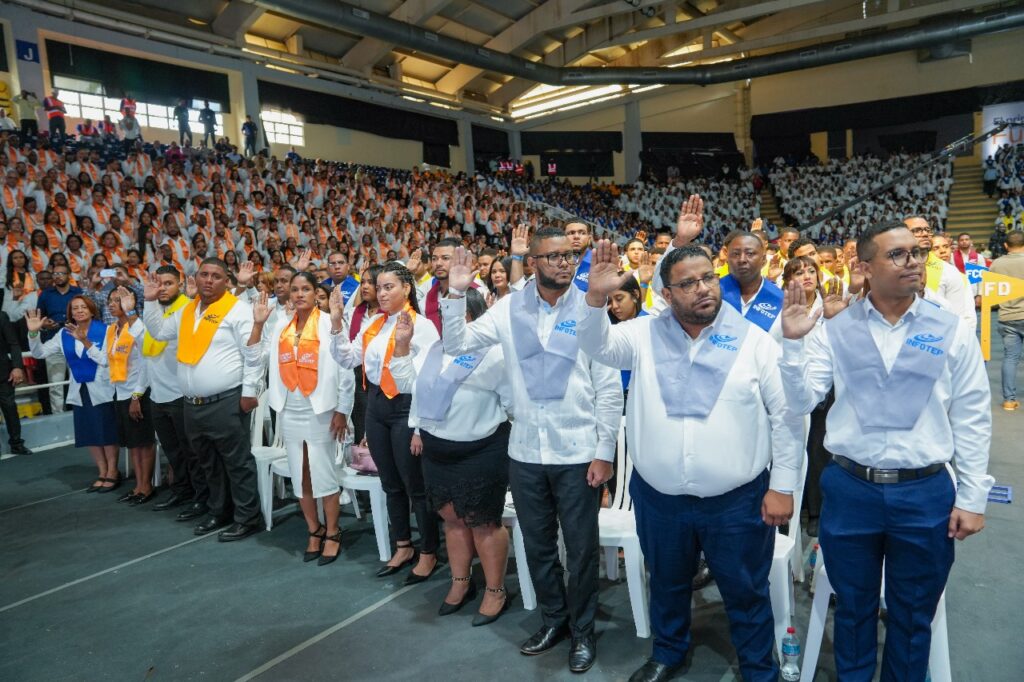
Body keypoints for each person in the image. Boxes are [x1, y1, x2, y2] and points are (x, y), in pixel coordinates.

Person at [579, 239, 802, 682]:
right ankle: (669, 651)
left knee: (745, 590)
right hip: (660, 497)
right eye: (688, 283)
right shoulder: (642, 335)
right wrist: (593, 300)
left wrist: (784, 485)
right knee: (666, 582)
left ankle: (759, 668)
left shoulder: (753, 342)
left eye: (707, 278)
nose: (703, 289)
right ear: (666, 295)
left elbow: (788, 416)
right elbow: (594, 345)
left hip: (736, 500)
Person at [780, 220, 993, 682]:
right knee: (853, 609)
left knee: (913, 614)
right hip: (851, 487)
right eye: (897, 255)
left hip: (925, 491)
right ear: (864, 267)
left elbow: (973, 414)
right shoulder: (835, 328)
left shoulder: (949, 328)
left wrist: (973, 496)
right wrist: (792, 346)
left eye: (916, 252)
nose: (913, 261)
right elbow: (800, 402)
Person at [443, 228, 622, 674]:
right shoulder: (508, 309)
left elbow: (607, 387)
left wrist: (605, 451)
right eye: (554, 257)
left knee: (580, 550)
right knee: (539, 546)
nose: (565, 263)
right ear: (535, 261)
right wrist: (455, 293)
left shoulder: (589, 308)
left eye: (570, 256)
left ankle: (582, 632)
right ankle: (554, 621)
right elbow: (457, 345)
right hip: (524, 450)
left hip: (577, 450)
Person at [390, 287, 513, 624]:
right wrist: (401, 344)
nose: (448, 322)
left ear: (472, 316)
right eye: (444, 315)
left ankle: (495, 589)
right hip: (439, 452)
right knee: (453, 520)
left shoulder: (493, 353)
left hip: (482, 450)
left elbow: (512, 402)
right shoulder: (433, 351)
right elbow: (404, 384)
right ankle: (461, 583)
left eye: (455, 315)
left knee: (484, 523)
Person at [329, 262, 442, 582]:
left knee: (414, 484)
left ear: (407, 288)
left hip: (408, 405)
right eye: (378, 287)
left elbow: (428, 379)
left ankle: (429, 550)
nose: (381, 293)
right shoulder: (374, 323)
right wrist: (337, 323)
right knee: (390, 481)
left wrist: (420, 426)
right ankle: (403, 545)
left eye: (388, 286)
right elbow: (347, 358)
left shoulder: (421, 326)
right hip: (377, 404)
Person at [142, 259, 263, 541]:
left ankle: (247, 517)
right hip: (192, 403)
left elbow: (254, 353)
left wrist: (249, 392)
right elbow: (159, 332)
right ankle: (218, 510)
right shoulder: (187, 310)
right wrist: (149, 302)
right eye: (204, 274)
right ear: (195, 278)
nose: (209, 280)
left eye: (216, 276)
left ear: (225, 281)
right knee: (207, 462)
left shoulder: (238, 310)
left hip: (227, 400)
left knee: (237, 462)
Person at [247, 272, 353, 565]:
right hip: (290, 409)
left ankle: (333, 531)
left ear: (316, 293)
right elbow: (256, 358)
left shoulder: (330, 322)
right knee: (300, 474)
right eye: (294, 289)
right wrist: (257, 324)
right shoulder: (280, 325)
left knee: (323, 473)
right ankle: (313, 529)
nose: (299, 294)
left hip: (321, 410)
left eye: (306, 289)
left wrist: (343, 409)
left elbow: (346, 371)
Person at [26, 298, 120, 492]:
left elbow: (107, 362)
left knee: (107, 431)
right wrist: (34, 333)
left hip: (103, 388)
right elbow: (39, 353)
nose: (79, 311)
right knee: (89, 432)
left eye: (83, 307)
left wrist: (85, 342)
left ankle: (113, 471)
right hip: (80, 389)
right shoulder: (63, 333)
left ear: (92, 310)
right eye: (74, 308)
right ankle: (102, 471)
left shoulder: (107, 330)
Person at [144, 266, 207, 517]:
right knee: (173, 452)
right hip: (157, 395)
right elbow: (146, 354)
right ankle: (182, 491)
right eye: (159, 283)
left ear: (179, 285)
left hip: (181, 394)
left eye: (168, 283)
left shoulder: (186, 309)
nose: (163, 288)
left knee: (193, 453)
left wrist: (193, 299)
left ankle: (202, 498)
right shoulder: (152, 311)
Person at [99, 287, 157, 504]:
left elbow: (146, 362)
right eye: (111, 301)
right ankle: (138, 486)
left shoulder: (138, 326)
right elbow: (106, 361)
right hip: (120, 393)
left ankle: (146, 486)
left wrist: (136, 395)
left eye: (118, 300)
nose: (113, 304)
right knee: (132, 443)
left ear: (130, 302)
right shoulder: (111, 329)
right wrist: (85, 342)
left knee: (144, 441)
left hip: (138, 391)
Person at [904, 216, 976, 333]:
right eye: (917, 231)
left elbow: (959, 317)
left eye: (927, 230)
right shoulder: (892, 267)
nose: (924, 234)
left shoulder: (949, 272)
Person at [35, 264, 82, 413]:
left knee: (79, 378)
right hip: (53, 339)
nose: (58, 276)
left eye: (61, 273)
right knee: (56, 384)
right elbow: (39, 318)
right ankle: (58, 416)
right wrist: (45, 324)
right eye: (55, 274)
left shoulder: (78, 292)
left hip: (75, 339)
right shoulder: (45, 294)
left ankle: (81, 412)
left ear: (69, 274)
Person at [990, 230, 1024, 411]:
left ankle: (1009, 401)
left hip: (1008, 317)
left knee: (1010, 358)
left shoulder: (996, 264)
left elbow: (991, 293)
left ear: (1005, 245)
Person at [0, 310, 31, 455]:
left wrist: (17, 366)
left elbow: (13, 343)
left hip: (3, 373)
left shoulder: (1, 315)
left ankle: (17, 443)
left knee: (10, 408)